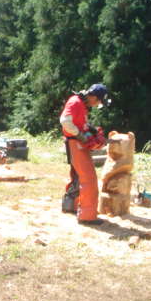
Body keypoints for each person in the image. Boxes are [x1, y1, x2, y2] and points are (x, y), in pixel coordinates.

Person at [60, 83, 110, 225]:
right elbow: (65, 121)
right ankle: (87, 216)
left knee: (77, 176)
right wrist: (80, 135)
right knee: (89, 178)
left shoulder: (81, 104)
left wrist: (91, 130)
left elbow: (79, 123)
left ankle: (71, 205)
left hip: (76, 143)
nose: (97, 104)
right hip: (75, 143)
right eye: (98, 101)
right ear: (93, 96)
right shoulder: (75, 102)